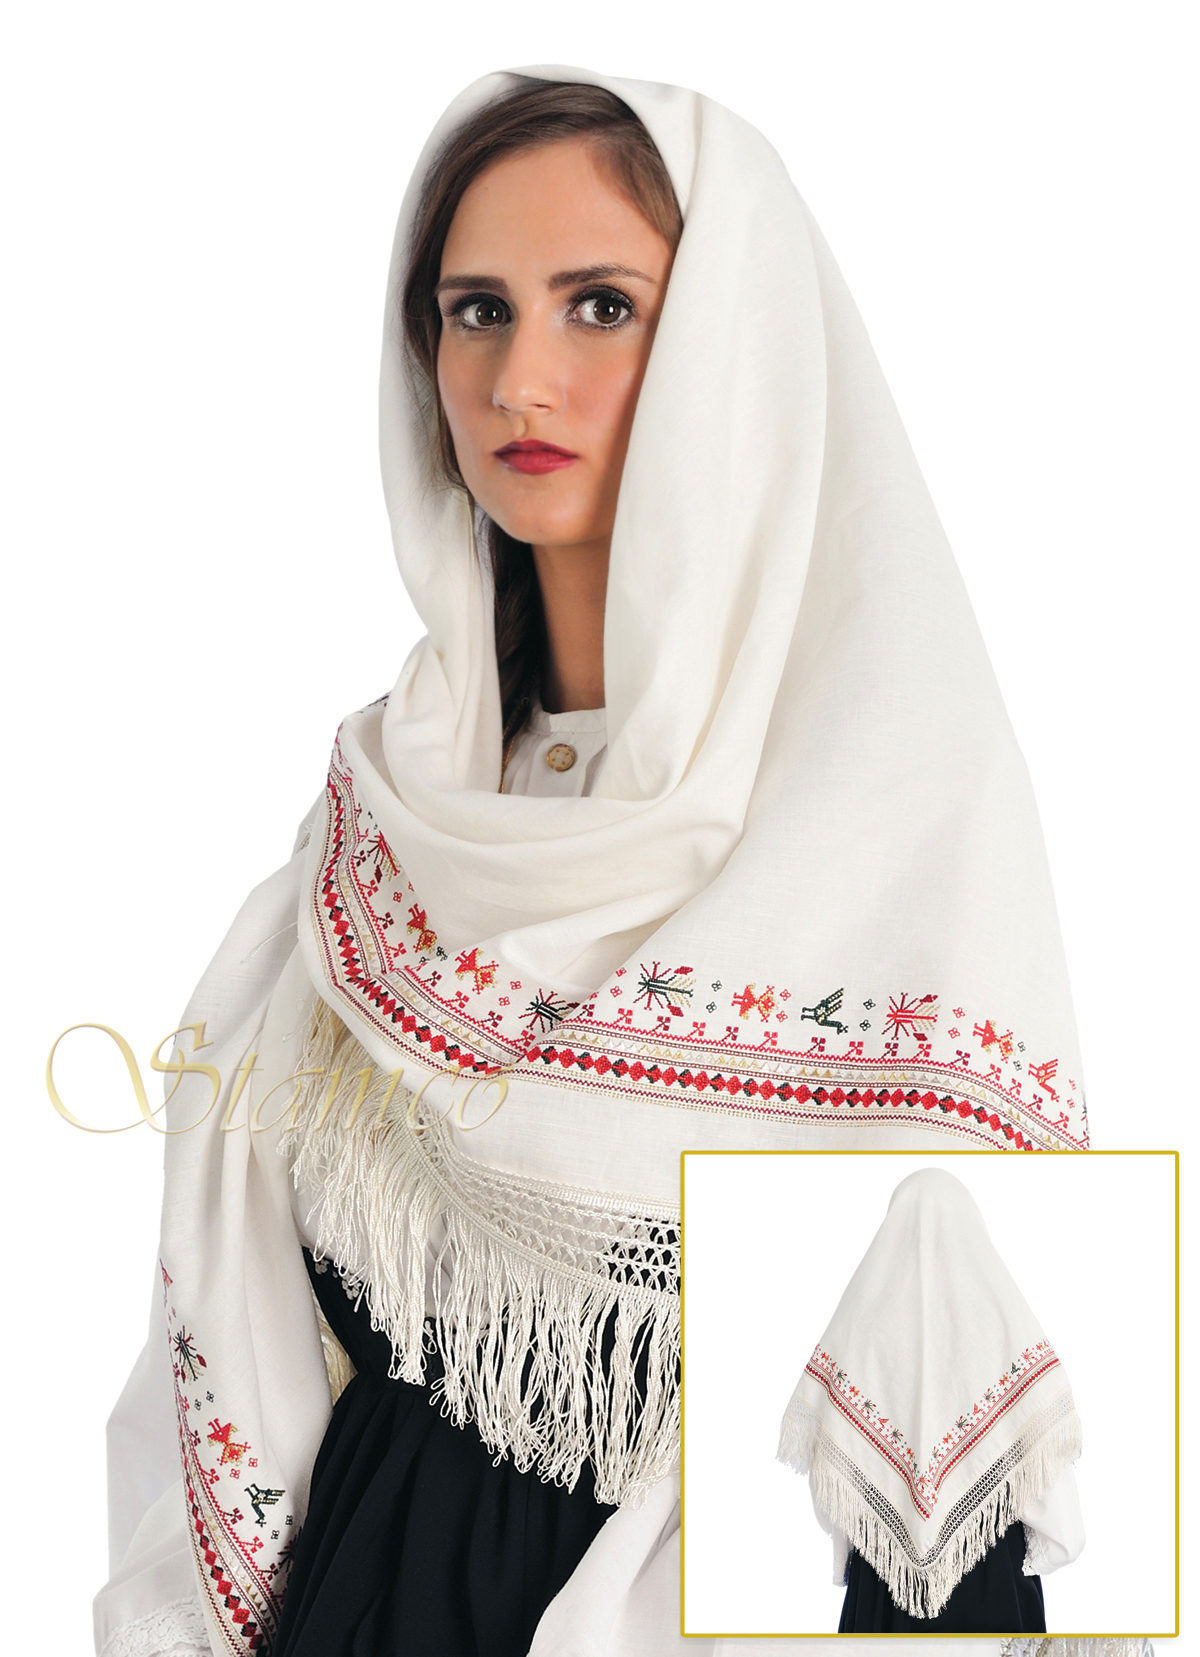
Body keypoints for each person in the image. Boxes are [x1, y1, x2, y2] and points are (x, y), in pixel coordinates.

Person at [93, 67, 1117, 1657]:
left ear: (732, 345)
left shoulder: (905, 824)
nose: (521, 379)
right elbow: (243, 1330)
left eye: (602, 306)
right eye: (477, 311)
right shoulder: (385, 826)